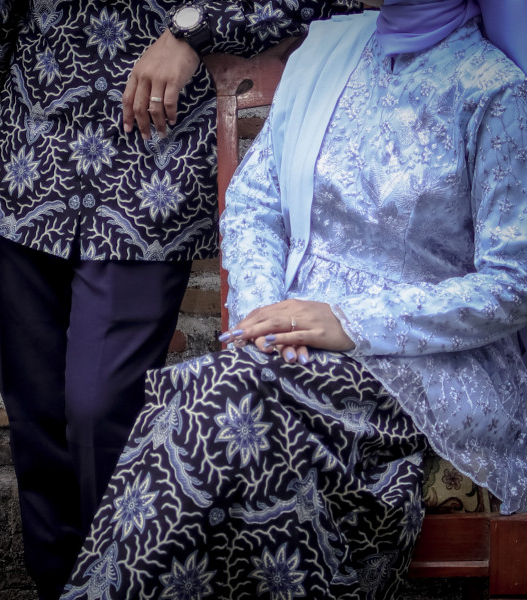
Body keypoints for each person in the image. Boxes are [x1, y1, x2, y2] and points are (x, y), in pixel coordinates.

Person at [60, 1, 527, 598]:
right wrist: (265, 321)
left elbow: (512, 282)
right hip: (286, 356)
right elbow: (254, 206)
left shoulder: (494, 91)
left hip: (423, 368)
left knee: (213, 400)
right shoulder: (327, 57)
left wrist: (350, 322)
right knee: (229, 410)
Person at [0, 1, 363, 598]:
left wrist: (192, 30)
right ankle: (57, 585)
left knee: (101, 411)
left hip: (150, 188)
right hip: (22, 177)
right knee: (35, 420)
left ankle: (117, 584)